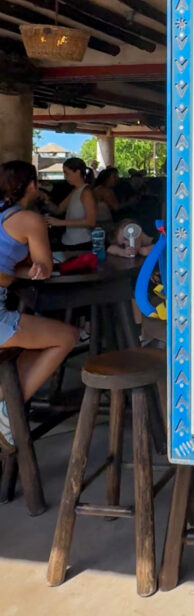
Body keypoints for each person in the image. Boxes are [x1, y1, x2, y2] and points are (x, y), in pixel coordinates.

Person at [0, 161, 79, 450]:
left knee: (23, 345)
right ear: (32, 185)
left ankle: (6, 399)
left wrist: (13, 273)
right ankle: (7, 410)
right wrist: (38, 268)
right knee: (66, 336)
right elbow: (43, 268)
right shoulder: (29, 219)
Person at [43, 157, 97, 250]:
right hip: (68, 241)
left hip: (81, 243)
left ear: (78, 172)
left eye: (67, 173)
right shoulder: (74, 190)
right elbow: (58, 210)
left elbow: (91, 221)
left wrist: (60, 222)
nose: (65, 177)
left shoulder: (86, 192)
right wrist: (46, 200)